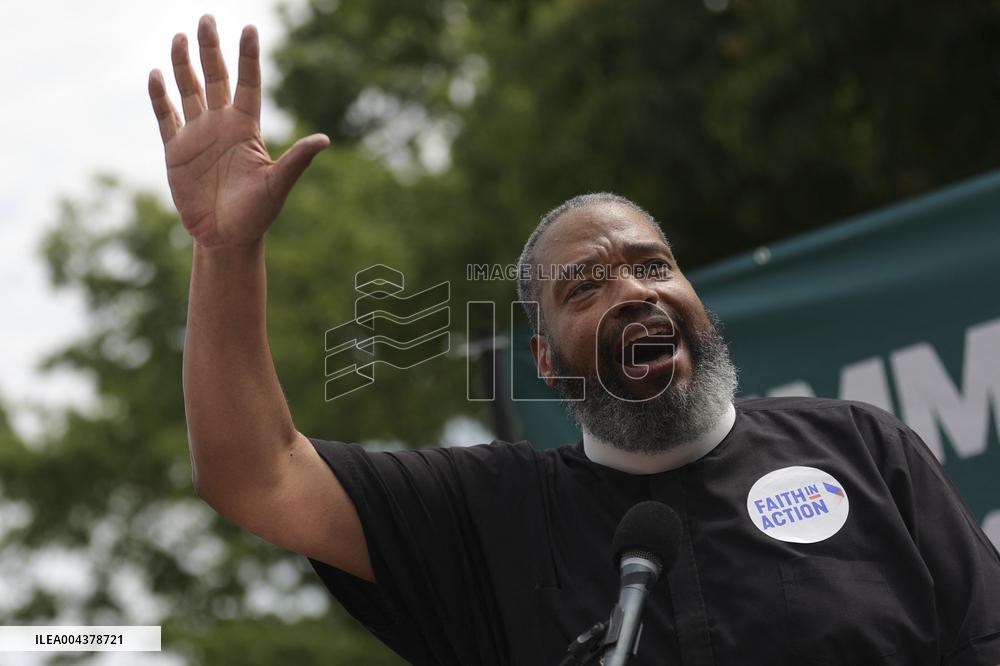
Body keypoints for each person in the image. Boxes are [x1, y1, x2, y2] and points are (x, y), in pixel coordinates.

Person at [149, 16, 1000, 666]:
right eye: (587, 286)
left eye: (655, 266)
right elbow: (254, 473)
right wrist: (227, 251)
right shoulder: (487, 518)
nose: (635, 290)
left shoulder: (861, 448)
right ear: (547, 361)